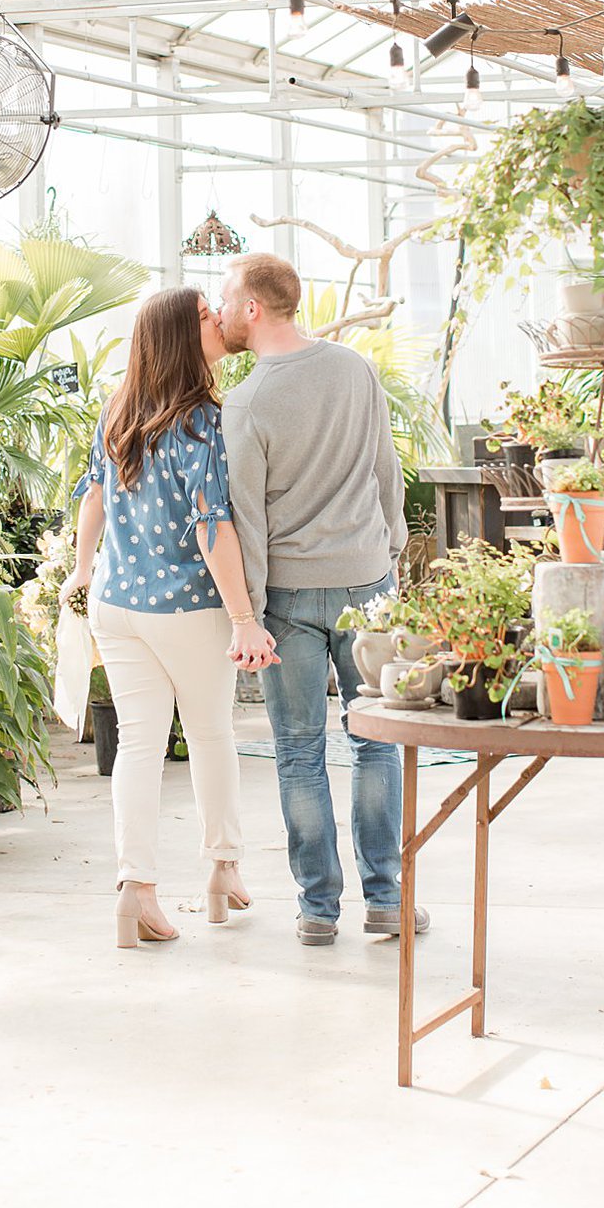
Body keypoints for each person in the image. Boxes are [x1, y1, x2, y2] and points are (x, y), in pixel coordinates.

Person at [218, 253, 429, 947]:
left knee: (299, 752)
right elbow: (386, 470)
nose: (220, 314)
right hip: (368, 584)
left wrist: (247, 611)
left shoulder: (247, 403)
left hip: (287, 595)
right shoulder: (354, 370)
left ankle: (317, 910)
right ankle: (388, 900)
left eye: (226, 299)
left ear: (253, 307)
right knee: (375, 741)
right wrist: (386, 552)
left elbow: (245, 518)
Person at [63, 286, 278, 950]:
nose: (219, 319)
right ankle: (223, 868)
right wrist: (244, 619)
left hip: (117, 606)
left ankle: (138, 889)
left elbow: (93, 499)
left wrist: (81, 568)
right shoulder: (204, 423)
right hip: (189, 607)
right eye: (208, 316)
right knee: (212, 736)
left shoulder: (118, 410)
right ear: (187, 338)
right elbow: (213, 528)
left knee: (137, 743)